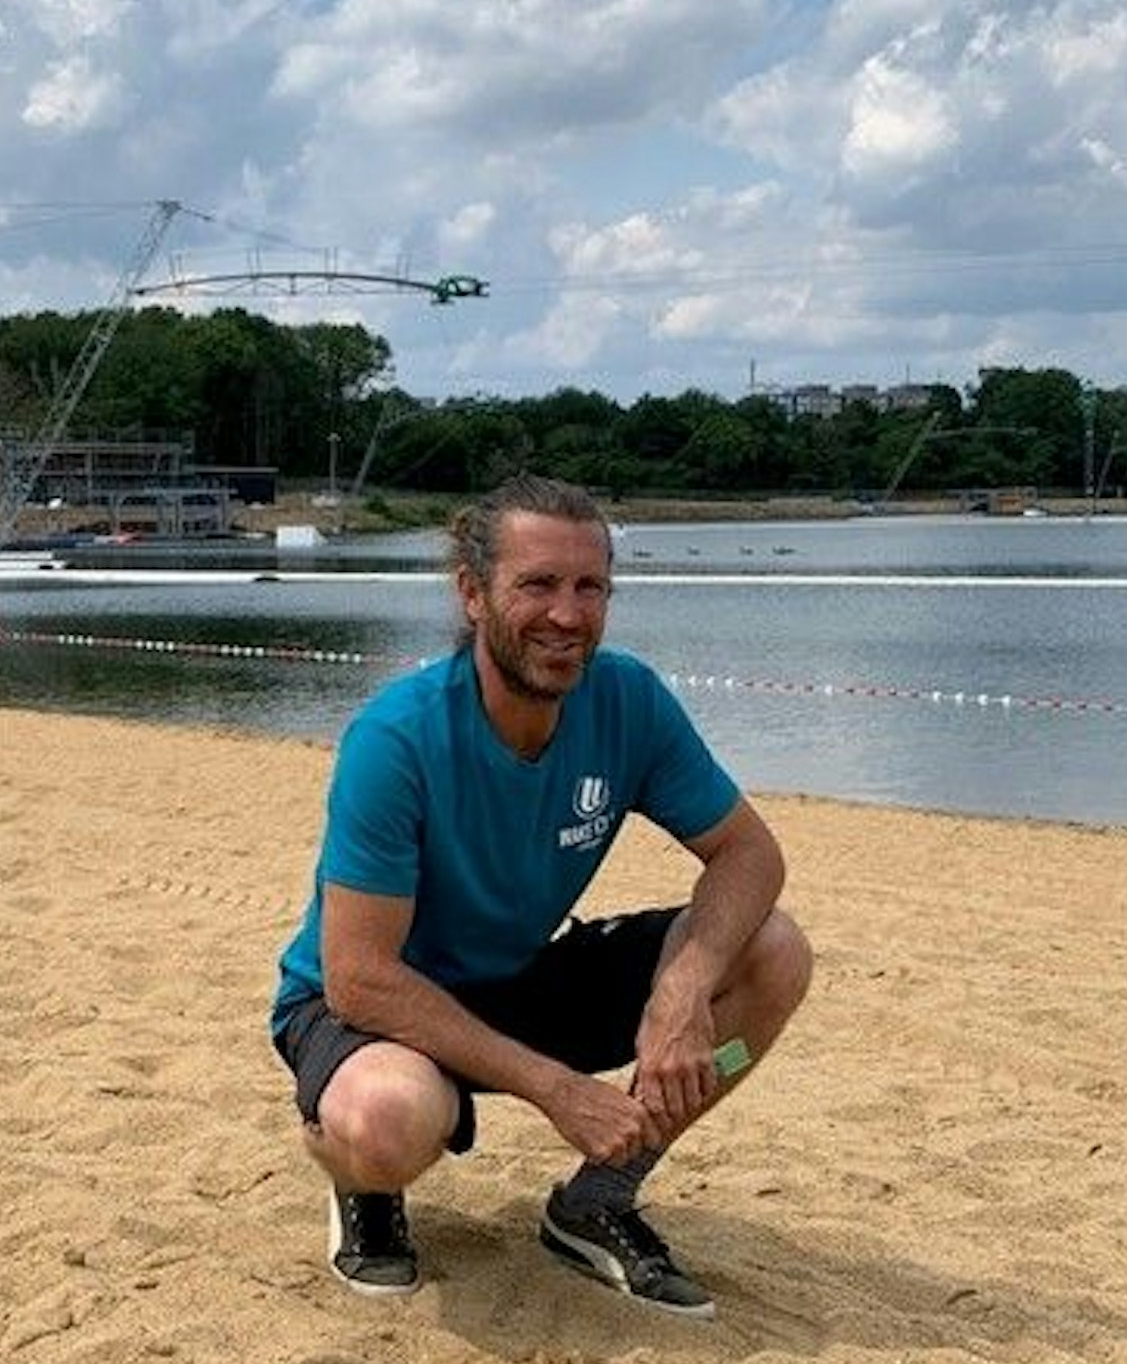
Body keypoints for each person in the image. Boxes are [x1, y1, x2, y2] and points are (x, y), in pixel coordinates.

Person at [271, 472, 811, 1314]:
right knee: (386, 1124)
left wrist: (680, 995)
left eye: (590, 587)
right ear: (472, 593)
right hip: (373, 1010)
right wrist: (558, 1091)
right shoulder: (397, 737)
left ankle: (601, 1193)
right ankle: (361, 1184)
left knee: (773, 954)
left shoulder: (627, 700)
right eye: (538, 584)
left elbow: (748, 854)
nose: (567, 614)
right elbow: (359, 978)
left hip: (518, 979)